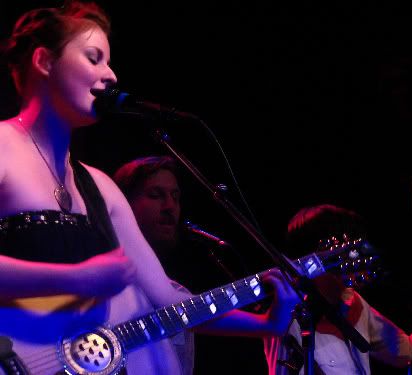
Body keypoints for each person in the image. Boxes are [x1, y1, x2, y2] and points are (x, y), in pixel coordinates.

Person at [0, 3, 299, 375]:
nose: (111, 75)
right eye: (94, 58)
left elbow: (166, 300)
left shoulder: (101, 188)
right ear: (44, 61)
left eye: (108, 61)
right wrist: (76, 279)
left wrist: (264, 324)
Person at [113, 155, 267, 374]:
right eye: (156, 195)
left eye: (175, 197)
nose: (170, 206)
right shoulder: (105, 275)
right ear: (123, 203)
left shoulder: (175, 288)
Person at [263, 204, 412, 375]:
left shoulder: (355, 304)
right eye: (349, 251)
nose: (357, 259)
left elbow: (410, 352)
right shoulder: (285, 311)